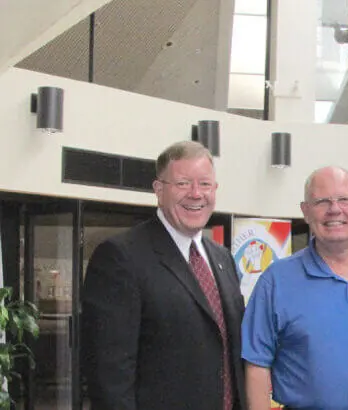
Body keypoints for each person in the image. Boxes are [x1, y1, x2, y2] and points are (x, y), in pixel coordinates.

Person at [82, 141, 245, 410]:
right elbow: (108, 376)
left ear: (215, 190)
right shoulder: (121, 257)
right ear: (159, 190)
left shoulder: (222, 258)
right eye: (182, 184)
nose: (196, 194)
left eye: (205, 184)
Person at [242, 166, 348, 409]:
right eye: (322, 201)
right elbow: (256, 365)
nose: (335, 210)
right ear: (305, 211)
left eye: (344, 199)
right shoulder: (276, 281)